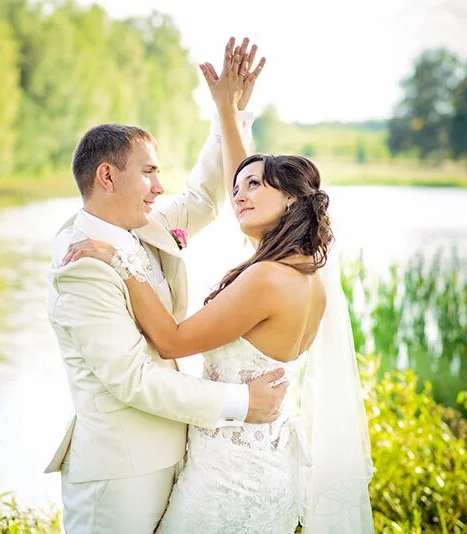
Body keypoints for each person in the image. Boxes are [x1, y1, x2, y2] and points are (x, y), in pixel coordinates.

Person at [65, 37, 374, 533]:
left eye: (253, 188)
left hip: (231, 475)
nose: (238, 196)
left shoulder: (269, 277)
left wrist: (124, 263)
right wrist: (230, 114)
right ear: (107, 176)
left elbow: (171, 340)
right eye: (239, 188)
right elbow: (239, 183)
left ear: (292, 201)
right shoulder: (300, 266)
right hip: (236, 461)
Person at [45, 37, 287, 534]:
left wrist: (232, 114)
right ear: (107, 176)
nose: (160, 186)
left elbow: (202, 194)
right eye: (149, 172)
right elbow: (133, 378)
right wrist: (241, 404)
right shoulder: (81, 264)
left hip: (177, 456)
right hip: (119, 476)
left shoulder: (145, 226)